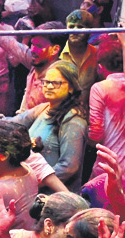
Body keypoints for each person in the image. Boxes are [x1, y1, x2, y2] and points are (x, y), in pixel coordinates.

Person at [13, 60, 88, 190]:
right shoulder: (43, 109)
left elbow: (69, 167)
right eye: (46, 82)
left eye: (56, 83)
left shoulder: (73, 121)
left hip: (55, 198)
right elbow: (12, 122)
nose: (49, 86)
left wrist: (31, 184)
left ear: (71, 87)